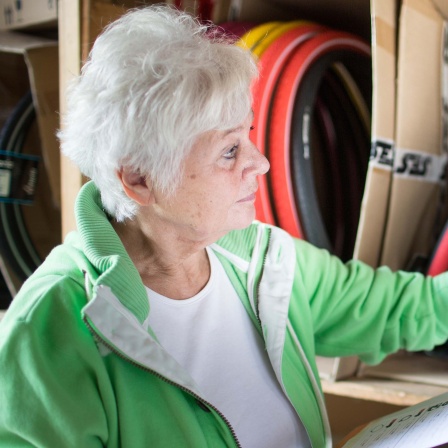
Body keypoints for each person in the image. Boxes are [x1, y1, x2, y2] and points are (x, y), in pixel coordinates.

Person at [0, 5, 448, 448]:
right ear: (139, 178)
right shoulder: (48, 332)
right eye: (230, 151)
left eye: (249, 135)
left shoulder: (265, 260)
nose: (262, 162)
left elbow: (404, 309)